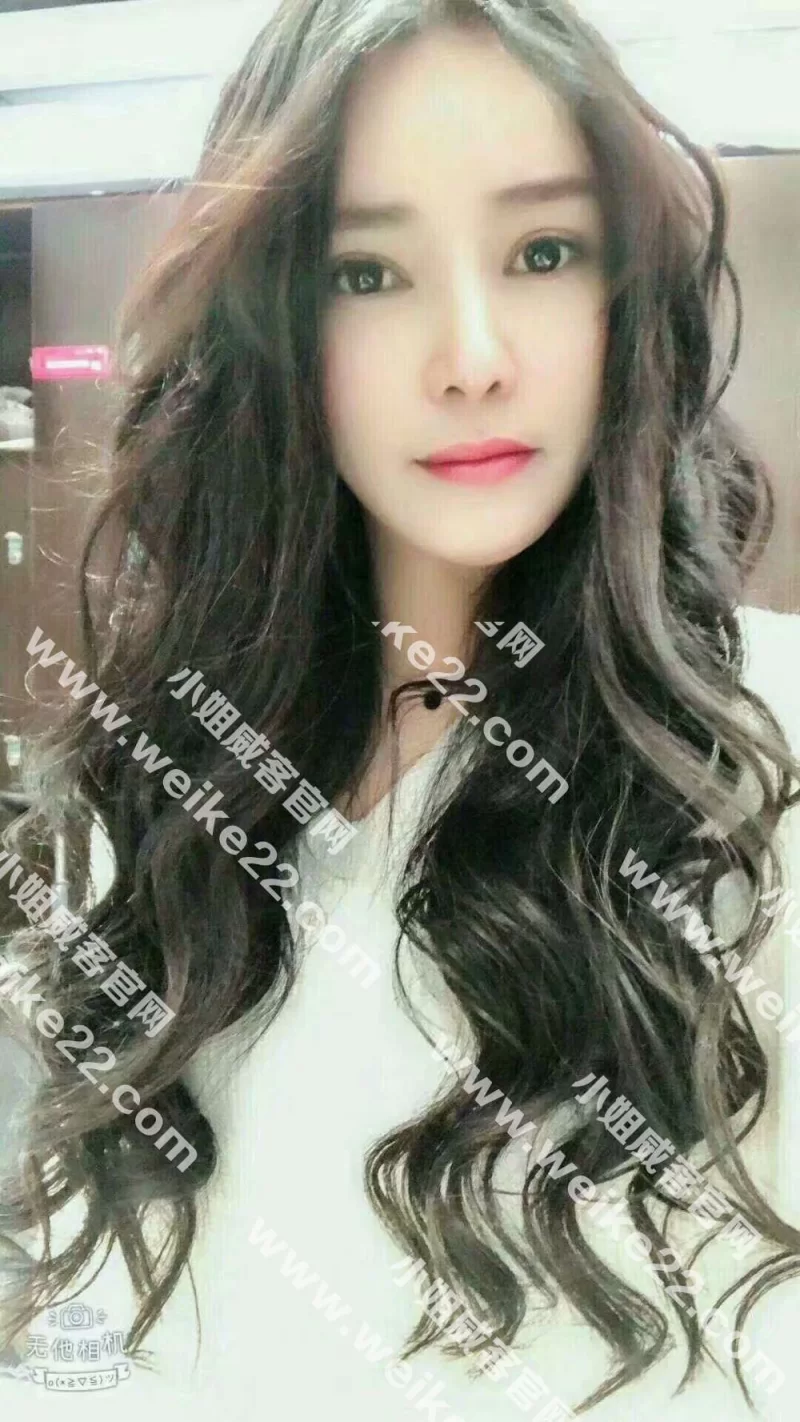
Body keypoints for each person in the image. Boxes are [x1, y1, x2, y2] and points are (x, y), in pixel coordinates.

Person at [1, 1, 800, 1418]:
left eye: (543, 252)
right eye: (366, 273)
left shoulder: (760, 765)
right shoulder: (151, 793)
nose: (473, 355)